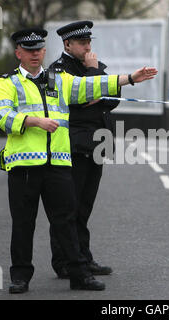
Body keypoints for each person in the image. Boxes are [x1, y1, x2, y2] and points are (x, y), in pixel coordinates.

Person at [0, 27, 157, 293]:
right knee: (23, 223)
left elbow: (91, 86)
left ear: (45, 51)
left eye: (39, 50)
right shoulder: (7, 83)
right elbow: (1, 115)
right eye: (29, 50)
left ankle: (79, 274)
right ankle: (20, 277)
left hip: (58, 164)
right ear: (18, 53)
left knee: (66, 220)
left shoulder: (59, 79)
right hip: (24, 166)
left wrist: (130, 78)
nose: (35, 54)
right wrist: (34, 121)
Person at [47, 21, 121, 279]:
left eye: (89, 42)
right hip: (73, 146)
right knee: (69, 207)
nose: (88, 47)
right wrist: (93, 77)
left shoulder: (93, 67)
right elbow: (80, 97)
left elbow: (113, 98)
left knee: (85, 207)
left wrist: (97, 88)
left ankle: (82, 258)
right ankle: (64, 262)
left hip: (97, 143)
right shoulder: (58, 70)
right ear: (67, 44)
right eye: (82, 43)